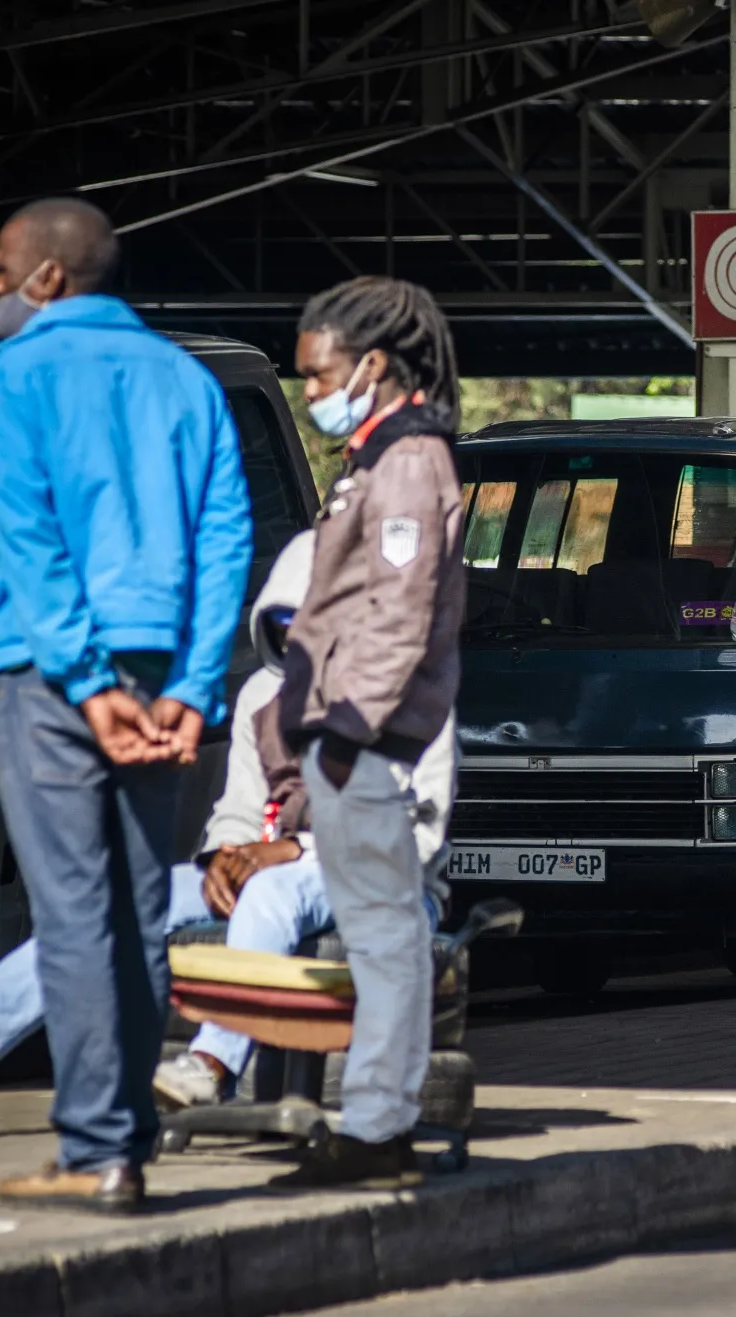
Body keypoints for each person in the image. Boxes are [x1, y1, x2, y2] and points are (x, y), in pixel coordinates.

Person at [0, 535, 458, 1106]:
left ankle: (213, 1065)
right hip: (278, 872)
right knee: (133, 894)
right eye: (285, 628)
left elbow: (419, 835)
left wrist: (294, 851)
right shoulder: (261, 701)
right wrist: (221, 858)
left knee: (270, 891)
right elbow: (238, 811)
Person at [0, 198, 253, 1212]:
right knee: (133, 909)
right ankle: (126, 1138)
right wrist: (190, 687)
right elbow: (227, 537)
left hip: (55, 679)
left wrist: (86, 687)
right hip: (161, 670)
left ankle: (95, 1150)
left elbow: (31, 542)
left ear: (47, 278)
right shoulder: (187, 378)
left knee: (75, 911)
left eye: (1, 268)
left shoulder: (10, 374)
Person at [277, 276, 465, 1189]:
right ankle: (375, 1122)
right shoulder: (378, 456)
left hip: (366, 739)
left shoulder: (406, 462)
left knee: (385, 938)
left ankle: (379, 1126)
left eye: (318, 374)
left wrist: (349, 729)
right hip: (349, 737)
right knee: (377, 933)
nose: (309, 391)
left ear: (375, 364)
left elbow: (400, 609)